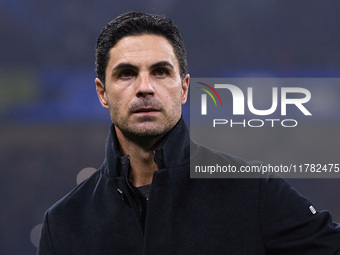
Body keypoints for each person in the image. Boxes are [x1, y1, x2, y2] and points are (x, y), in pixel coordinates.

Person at [38, 11, 340, 254]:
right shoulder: (64, 223)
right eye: (127, 73)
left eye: (160, 71)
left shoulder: (253, 190)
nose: (144, 87)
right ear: (102, 93)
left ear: (183, 88)